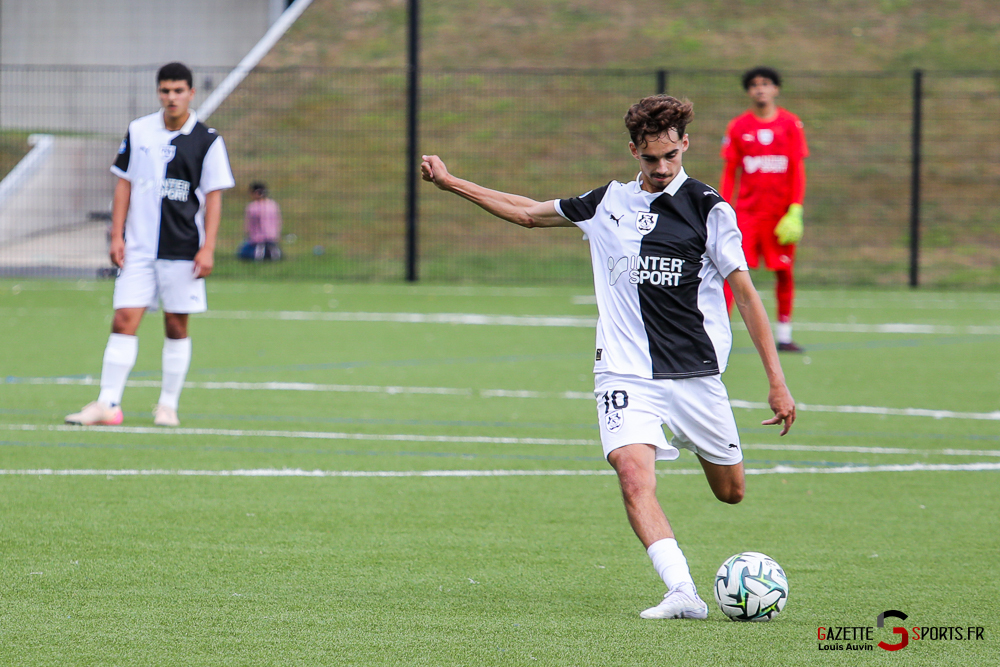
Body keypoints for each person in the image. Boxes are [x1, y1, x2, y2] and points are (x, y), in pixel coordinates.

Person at [421, 95, 796, 619]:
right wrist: (452, 182)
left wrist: (776, 381)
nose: (662, 168)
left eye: (670, 156)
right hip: (624, 370)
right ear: (633, 152)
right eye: (650, 159)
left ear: (685, 144)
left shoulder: (709, 208)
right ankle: (682, 591)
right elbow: (529, 212)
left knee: (730, 492)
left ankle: (694, 450)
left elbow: (748, 295)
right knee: (632, 474)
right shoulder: (607, 203)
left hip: (694, 374)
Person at [65, 62, 235, 427]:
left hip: (183, 248)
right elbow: (123, 183)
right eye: (165, 90)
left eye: (177, 90)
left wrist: (208, 248)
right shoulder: (140, 130)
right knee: (124, 319)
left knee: (176, 325)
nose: (171, 97)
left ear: (191, 93)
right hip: (139, 248)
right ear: (158, 92)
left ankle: (168, 405)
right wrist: (116, 235)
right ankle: (107, 403)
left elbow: (215, 197)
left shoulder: (208, 139)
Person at [720, 66, 809, 352]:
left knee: (784, 272)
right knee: (732, 270)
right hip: (747, 214)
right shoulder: (738, 126)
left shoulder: (791, 124)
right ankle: (718, 332)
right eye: (755, 85)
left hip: (779, 216)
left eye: (766, 84)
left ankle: (784, 335)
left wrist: (795, 209)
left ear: (776, 89)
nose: (760, 89)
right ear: (748, 91)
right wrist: (722, 207)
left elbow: (797, 169)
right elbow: (730, 171)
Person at [238, 181, 283, 261]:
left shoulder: (252, 207)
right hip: (272, 240)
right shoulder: (273, 205)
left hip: (257, 241)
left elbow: (248, 227)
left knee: (242, 252)